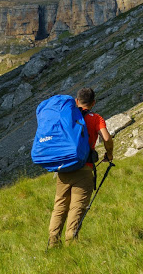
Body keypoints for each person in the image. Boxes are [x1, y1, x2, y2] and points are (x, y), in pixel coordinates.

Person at [47, 87, 114, 248]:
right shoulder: (96, 118)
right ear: (93, 103)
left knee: (60, 206)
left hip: (64, 168)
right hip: (84, 170)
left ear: (76, 101)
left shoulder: (67, 116)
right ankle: (71, 244)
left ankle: (53, 242)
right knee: (77, 207)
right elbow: (106, 138)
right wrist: (109, 154)